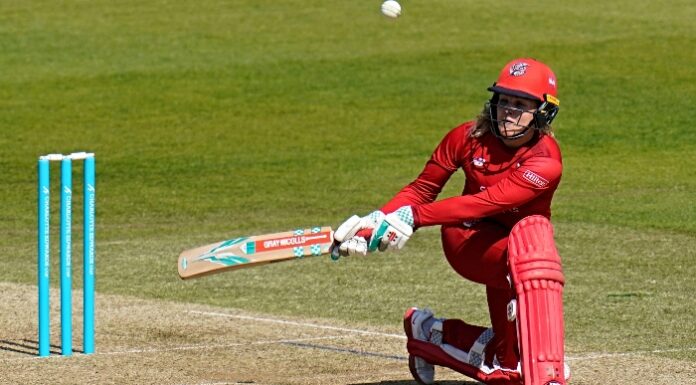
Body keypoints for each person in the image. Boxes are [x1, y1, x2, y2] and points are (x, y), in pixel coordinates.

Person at [332, 58, 568, 385]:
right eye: (505, 100)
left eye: (521, 104)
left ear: (543, 111)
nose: (509, 111)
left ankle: (428, 334)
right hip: (468, 240)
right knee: (528, 265)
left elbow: (487, 202)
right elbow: (423, 188)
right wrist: (378, 221)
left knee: (510, 369)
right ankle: (532, 366)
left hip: (516, 247)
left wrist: (412, 218)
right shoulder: (466, 137)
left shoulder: (544, 163)